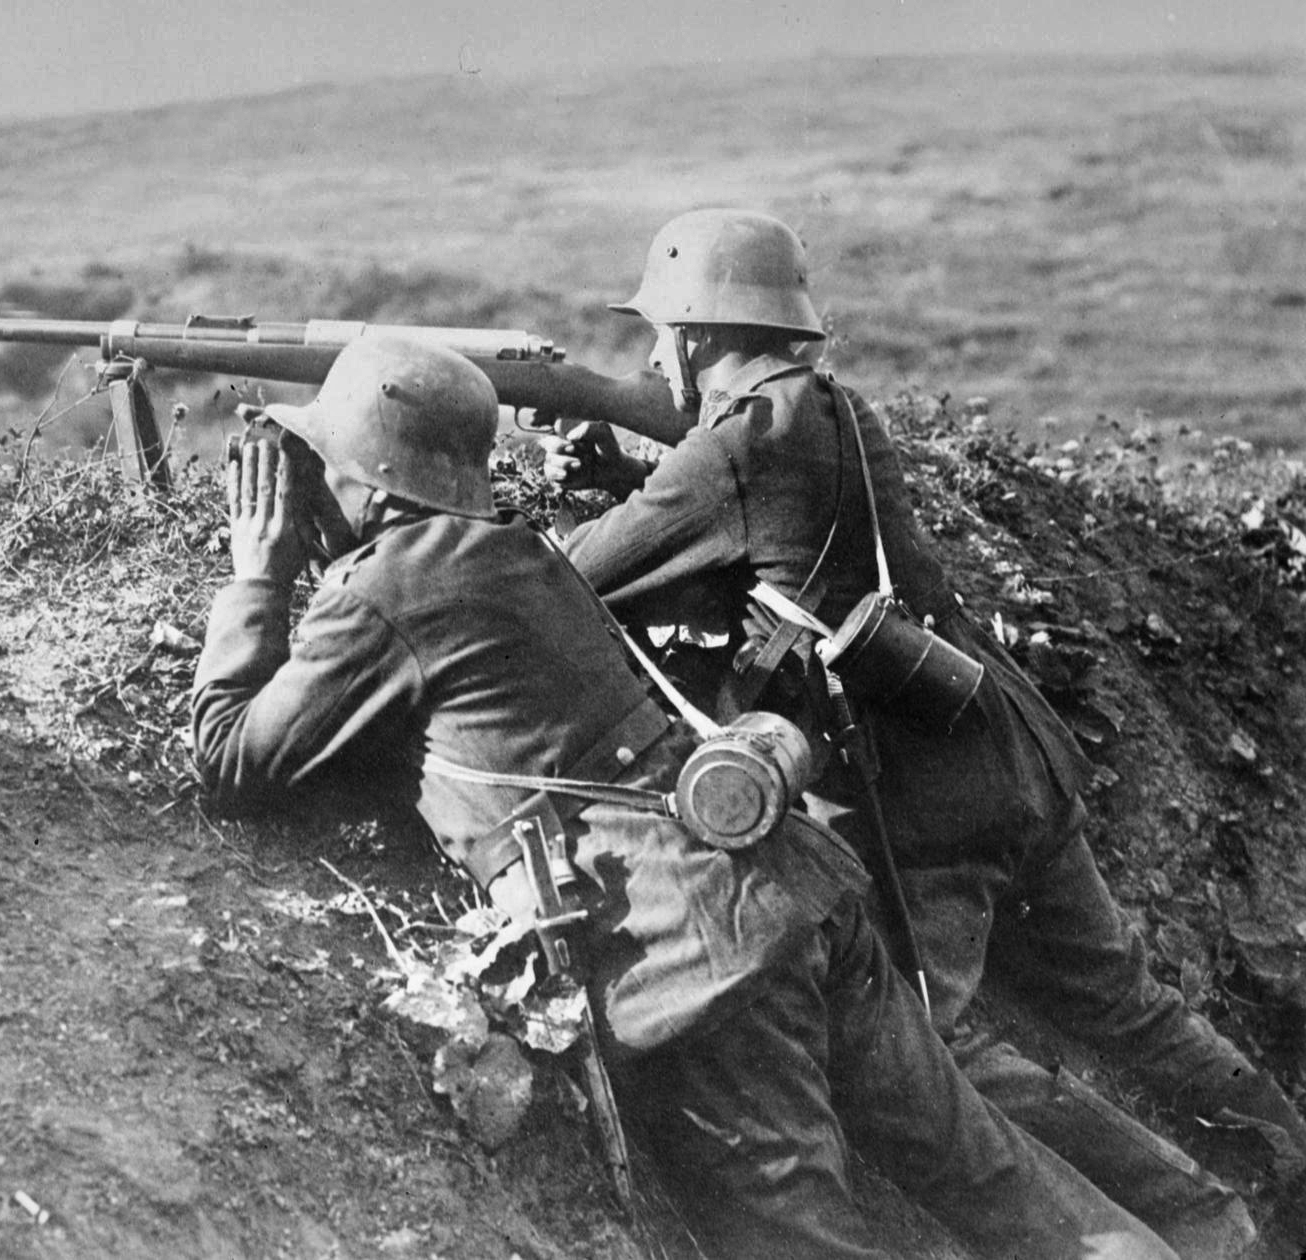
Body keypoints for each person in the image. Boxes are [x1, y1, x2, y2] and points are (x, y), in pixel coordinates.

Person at [192, 333, 1175, 1259]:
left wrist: (254, 581)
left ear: (367, 475)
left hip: (704, 967)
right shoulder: (521, 552)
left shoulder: (385, 590)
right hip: (802, 891)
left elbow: (233, 763)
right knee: (1000, 1181)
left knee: (800, 1238)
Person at [539, 207, 1306, 1255]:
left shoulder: (732, 444)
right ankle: (1282, 1164)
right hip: (1008, 746)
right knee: (1125, 1004)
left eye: (659, 332)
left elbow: (572, 577)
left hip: (925, 810)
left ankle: (1200, 1227)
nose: (651, 352)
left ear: (695, 337)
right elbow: (778, 535)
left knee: (938, 1062)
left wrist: (588, 490)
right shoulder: (830, 411)